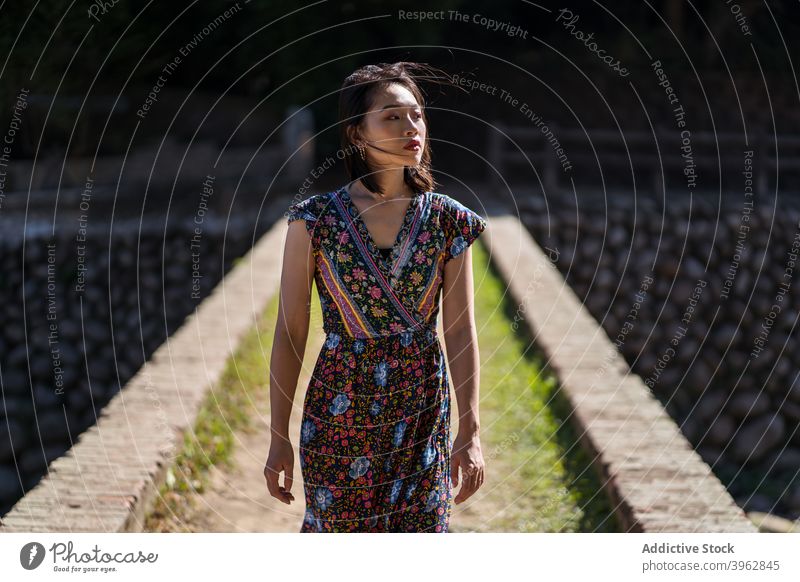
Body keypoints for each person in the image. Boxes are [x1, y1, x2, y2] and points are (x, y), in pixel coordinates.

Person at [264, 62, 487, 532]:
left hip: (423, 409)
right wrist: (277, 436)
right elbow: (290, 332)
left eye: (417, 115)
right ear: (356, 133)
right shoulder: (315, 221)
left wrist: (470, 432)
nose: (412, 128)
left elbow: (461, 331)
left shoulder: (450, 221)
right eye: (392, 116)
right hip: (338, 413)